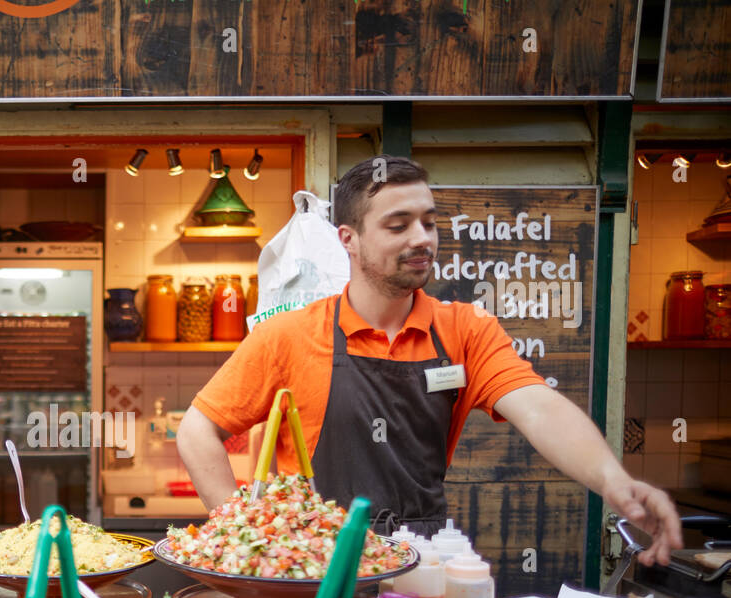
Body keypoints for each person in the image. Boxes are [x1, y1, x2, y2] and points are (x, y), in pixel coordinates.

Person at [177, 155, 681, 566]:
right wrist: (239, 536)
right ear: (348, 240)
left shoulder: (465, 329)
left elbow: (539, 408)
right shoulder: (288, 335)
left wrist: (616, 483)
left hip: (418, 560)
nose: (422, 238)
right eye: (398, 225)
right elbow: (198, 428)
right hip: (312, 566)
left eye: (429, 222)